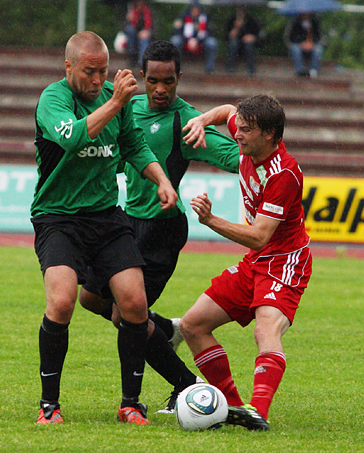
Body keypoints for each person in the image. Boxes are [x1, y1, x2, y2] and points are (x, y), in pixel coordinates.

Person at [79, 40, 240, 414]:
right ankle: (165, 330)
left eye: (169, 81)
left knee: (125, 316)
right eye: (153, 80)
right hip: (125, 221)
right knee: (90, 298)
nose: (161, 89)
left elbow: (236, 157)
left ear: (179, 78)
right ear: (142, 77)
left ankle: (187, 385)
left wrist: (225, 123)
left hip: (162, 229)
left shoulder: (186, 122)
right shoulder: (128, 106)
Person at [31, 31, 178, 426]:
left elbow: (134, 146)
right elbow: (76, 137)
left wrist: (161, 180)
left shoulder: (118, 101)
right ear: (68, 67)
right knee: (62, 302)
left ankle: (131, 403)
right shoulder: (54, 100)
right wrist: (115, 101)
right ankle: (50, 406)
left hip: (105, 217)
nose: (98, 81)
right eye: (89, 72)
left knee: (134, 304)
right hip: (58, 217)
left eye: (104, 72)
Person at [179, 94, 313, 431]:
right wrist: (201, 121)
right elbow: (227, 111)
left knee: (265, 327)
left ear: (268, 134)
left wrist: (211, 221)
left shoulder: (284, 174)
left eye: (246, 130)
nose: (237, 134)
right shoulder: (247, 135)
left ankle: (260, 411)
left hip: (285, 261)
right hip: (257, 261)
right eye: (238, 127)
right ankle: (236, 409)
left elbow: (259, 236)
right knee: (193, 325)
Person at [171, 0, 217, 73]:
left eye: (197, 10)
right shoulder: (183, 16)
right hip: (185, 40)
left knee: (211, 43)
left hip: (201, 40)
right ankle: (177, 66)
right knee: (175, 40)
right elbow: (176, 30)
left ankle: (209, 68)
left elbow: (210, 32)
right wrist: (188, 39)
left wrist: (197, 40)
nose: (195, 12)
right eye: (193, 9)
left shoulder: (205, 17)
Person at [225, 5, 262, 75]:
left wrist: (252, 37)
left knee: (249, 45)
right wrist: (236, 27)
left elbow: (258, 35)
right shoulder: (231, 19)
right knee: (233, 45)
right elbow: (228, 36)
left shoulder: (252, 20)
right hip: (236, 42)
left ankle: (250, 68)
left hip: (248, 43)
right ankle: (230, 67)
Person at [285, 13, 324, 77]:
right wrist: (301, 43)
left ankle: (314, 70)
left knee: (318, 50)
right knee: (295, 49)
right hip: (299, 44)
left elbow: (319, 37)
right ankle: (299, 70)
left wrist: (312, 43)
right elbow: (291, 37)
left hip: (312, 44)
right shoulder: (295, 22)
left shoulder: (315, 21)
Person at [124, 0, 153, 67]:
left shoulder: (148, 12)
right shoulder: (132, 11)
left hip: (145, 34)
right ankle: (132, 56)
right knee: (131, 31)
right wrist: (129, 20)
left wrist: (147, 31)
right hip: (134, 35)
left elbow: (152, 26)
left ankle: (142, 62)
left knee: (144, 40)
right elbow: (126, 28)